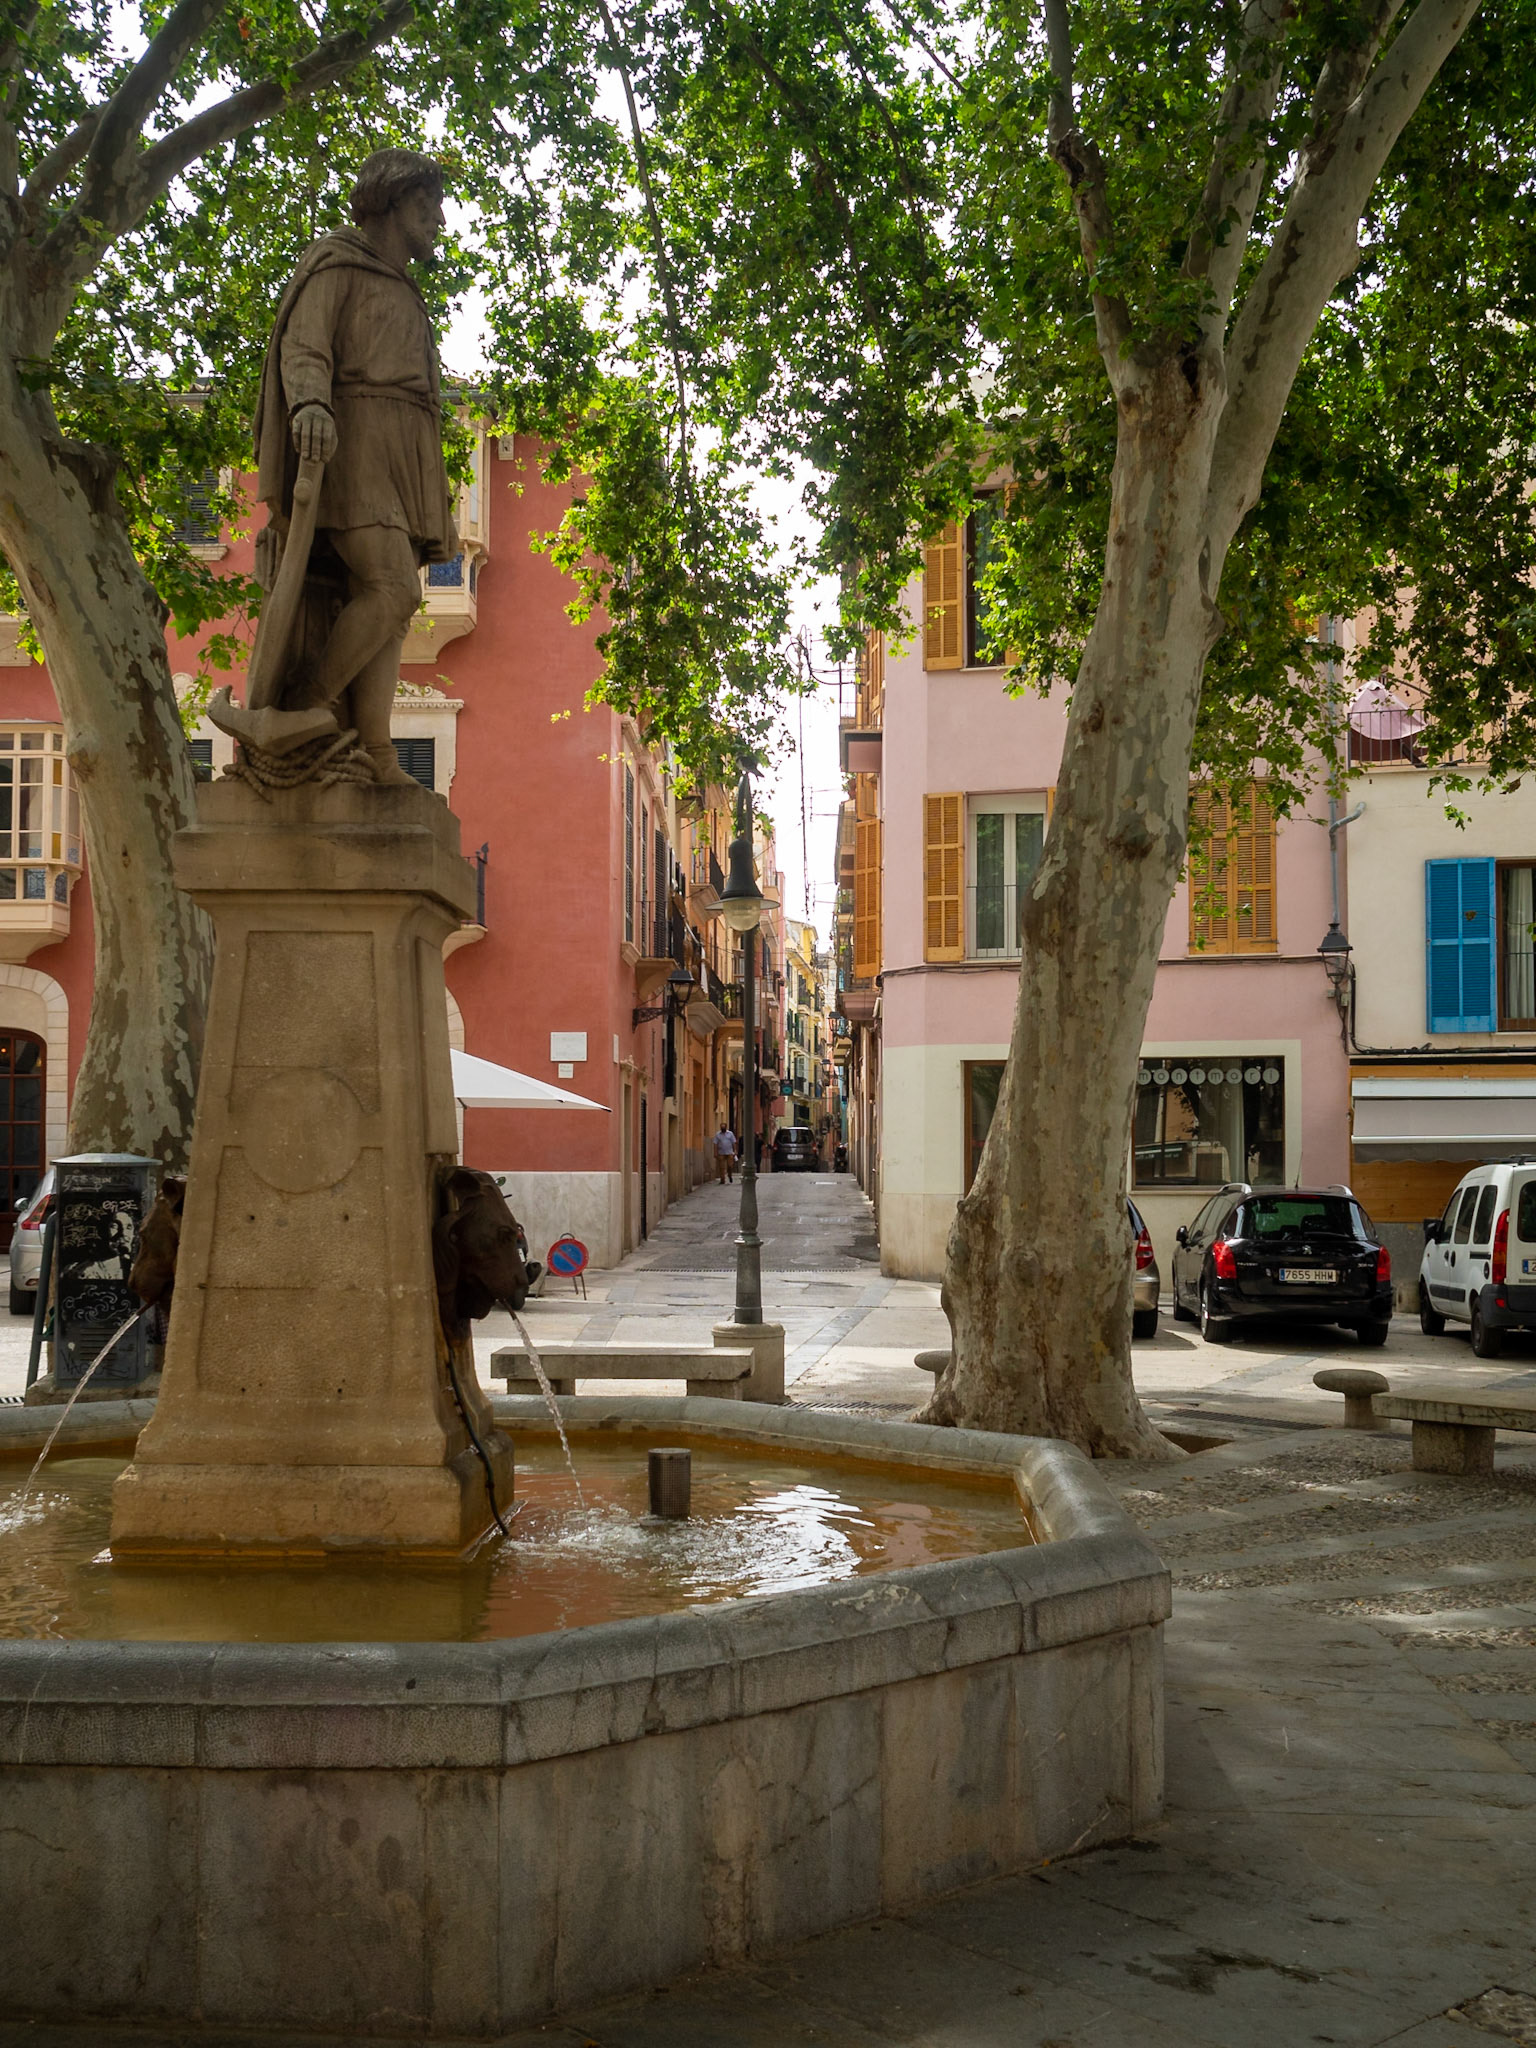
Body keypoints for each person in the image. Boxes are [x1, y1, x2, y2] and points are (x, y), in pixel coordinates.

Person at [210, 147, 458, 783]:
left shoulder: (405, 287)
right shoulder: (337, 261)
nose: (438, 218)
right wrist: (312, 403)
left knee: (393, 602)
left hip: (407, 445)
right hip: (358, 440)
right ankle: (305, 701)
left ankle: (375, 748)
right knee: (393, 586)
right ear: (392, 199)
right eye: (427, 203)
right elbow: (305, 340)